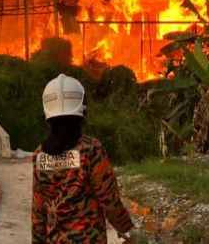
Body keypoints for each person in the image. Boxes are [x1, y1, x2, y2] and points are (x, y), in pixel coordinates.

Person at [31, 74, 135, 243]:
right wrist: (126, 229)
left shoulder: (39, 155)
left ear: (47, 113)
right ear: (82, 110)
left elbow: (38, 211)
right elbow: (109, 199)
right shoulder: (91, 150)